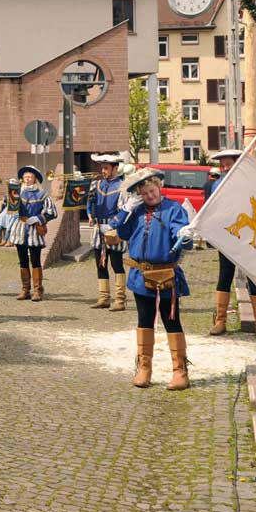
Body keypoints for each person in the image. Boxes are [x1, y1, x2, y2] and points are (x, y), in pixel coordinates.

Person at [113, 168, 194, 390]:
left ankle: (180, 372)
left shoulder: (173, 209)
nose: (150, 196)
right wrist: (126, 211)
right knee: (144, 320)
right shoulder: (136, 212)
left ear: (159, 187)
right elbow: (121, 232)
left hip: (166, 275)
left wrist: (183, 235)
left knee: (171, 321)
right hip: (141, 275)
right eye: (145, 193)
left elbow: (181, 234)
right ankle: (144, 369)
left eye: (152, 190)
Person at [206, 149, 256, 339]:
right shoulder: (217, 184)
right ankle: (220, 321)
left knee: (254, 277)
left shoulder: (253, 185)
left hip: (250, 239)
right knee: (225, 276)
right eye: (222, 165)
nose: (225, 168)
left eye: (228, 164)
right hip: (227, 237)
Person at [86, 154, 131, 311]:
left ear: (115, 168)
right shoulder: (96, 184)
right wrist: (90, 214)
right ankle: (104, 297)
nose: (103, 171)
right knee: (100, 263)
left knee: (116, 264)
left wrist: (115, 225)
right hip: (99, 227)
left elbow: (125, 210)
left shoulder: (122, 186)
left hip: (114, 228)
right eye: (102, 168)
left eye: (106, 168)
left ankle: (120, 300)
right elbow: (89, 202)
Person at [7, 166, 58, 301]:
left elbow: (52, 212)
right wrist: (11, 191)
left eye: (30, 177)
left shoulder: (42, 194)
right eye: (25, 177)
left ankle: (38, 290)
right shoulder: (19, 193)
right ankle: (25, 289)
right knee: (22, 261)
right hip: (20, 229)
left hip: (35, 230)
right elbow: (10, 208)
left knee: (35, 260)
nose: (27, 179)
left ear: (35, 178)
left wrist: (39, 218)